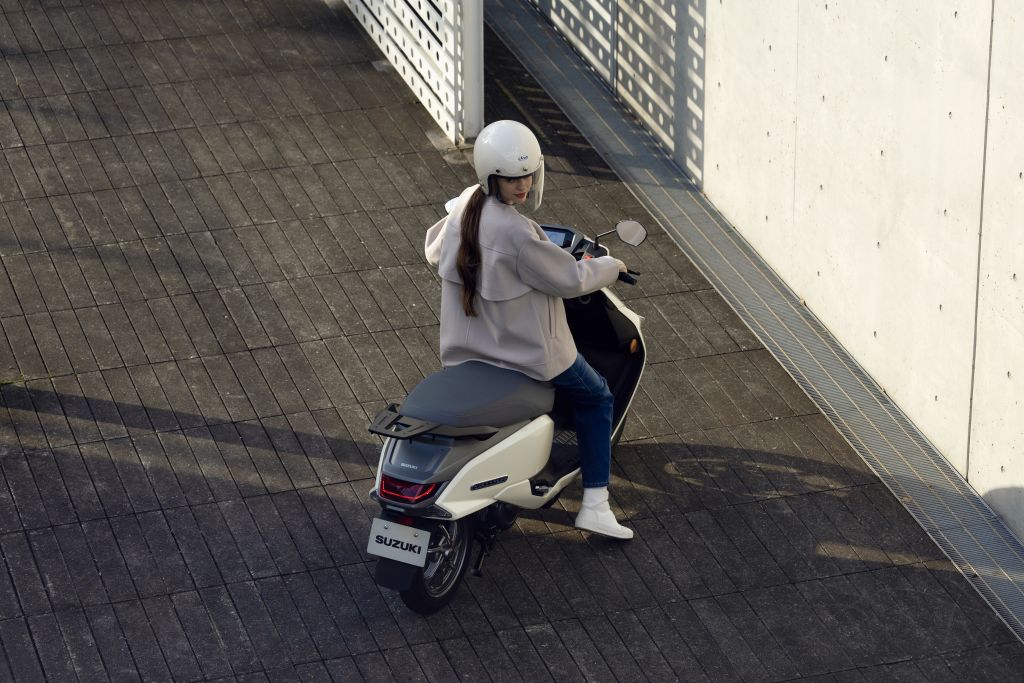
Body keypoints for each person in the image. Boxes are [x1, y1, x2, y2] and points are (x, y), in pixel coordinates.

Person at [424, 120, 633, 539]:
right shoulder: (517, 232)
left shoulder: (466, 208)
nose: (522, 186)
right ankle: (595, 504)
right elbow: (571, 279)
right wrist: (612, 266)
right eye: (512, 179)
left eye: (527, 176)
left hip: (467, 352)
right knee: (596, 397)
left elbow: (433, 251)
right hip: (529, 356)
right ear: (492, 178)